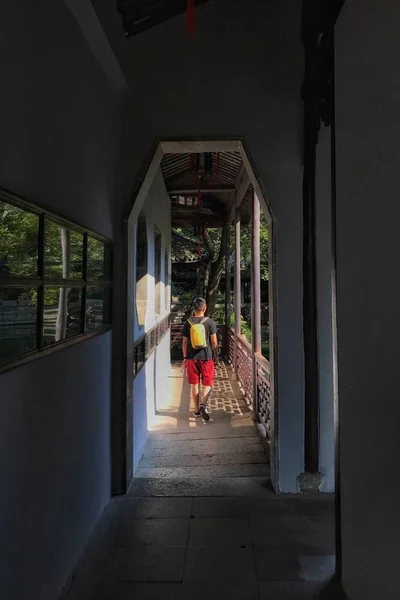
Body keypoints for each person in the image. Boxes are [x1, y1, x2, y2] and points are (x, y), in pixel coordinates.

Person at [182, 297, 218, 421]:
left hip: (192, 358)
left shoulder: (188, 322)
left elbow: (185, 343)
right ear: (204, 308)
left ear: (194, 309)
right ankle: (203, 403)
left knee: (194, 384)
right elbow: (214, 342)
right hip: (206, 357)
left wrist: (185, 357)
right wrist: (216, 355)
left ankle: (197, 410)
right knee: (207, 383)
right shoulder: (210, 322)